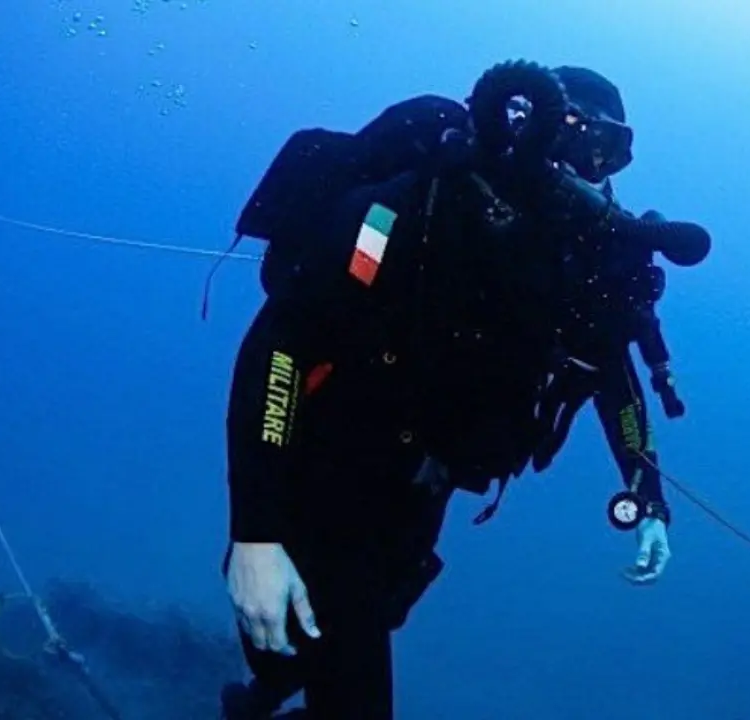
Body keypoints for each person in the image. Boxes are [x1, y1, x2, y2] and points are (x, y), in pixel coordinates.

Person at [219, 62, 705, 719]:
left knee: (342, 629)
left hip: (425, 486)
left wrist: (649, 500)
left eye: (601, 149)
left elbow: (613, 381)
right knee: (339, 655)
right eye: (564, 134)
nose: (575, 164)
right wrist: (256, 535)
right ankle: (273, 684)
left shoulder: (584, 259)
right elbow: (283, 341)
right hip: (328, 462)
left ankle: (262, 699)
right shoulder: (425, 203)